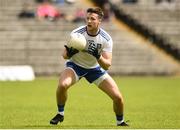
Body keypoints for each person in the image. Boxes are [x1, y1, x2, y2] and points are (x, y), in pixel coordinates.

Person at [50, 7, 129, 126]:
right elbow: (64, 55)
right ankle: (60, 114)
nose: (89, 21)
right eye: (87, 18)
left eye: (92, 19)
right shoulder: (77, 33)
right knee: (62, 85)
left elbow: (107, 65)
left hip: (95, 69)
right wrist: (69, 53)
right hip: (75, 66)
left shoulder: (106, 39)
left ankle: (120, 122)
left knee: (118, 98)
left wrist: (98, 56)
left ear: (99, 21)